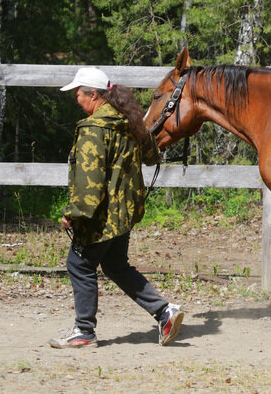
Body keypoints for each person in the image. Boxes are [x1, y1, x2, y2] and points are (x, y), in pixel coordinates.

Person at [49, 67, 184, 349]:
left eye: (79, 93)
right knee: (115, 265)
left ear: (94, 95)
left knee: (79, 264)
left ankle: (84, 331)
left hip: (100, 215)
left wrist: (74, 214)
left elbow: (90, 181)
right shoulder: (130, 123)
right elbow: (151, 156)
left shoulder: (93, 129)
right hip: (124, 214)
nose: (76, 98)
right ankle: (164, 312)